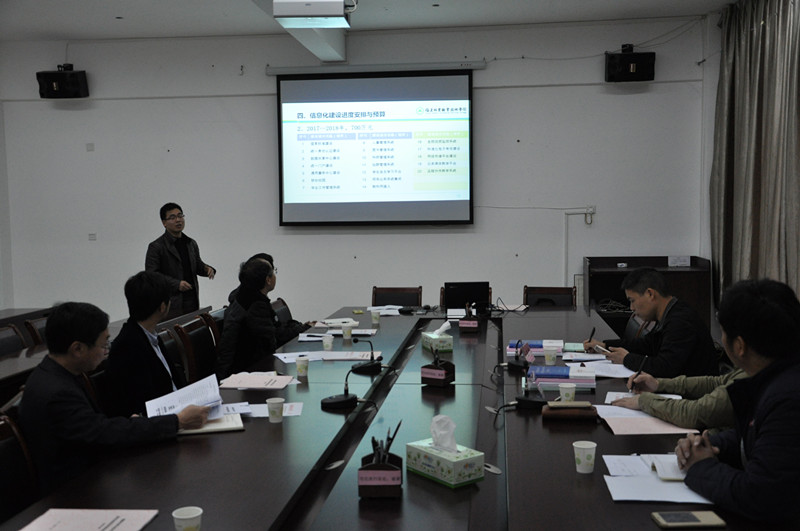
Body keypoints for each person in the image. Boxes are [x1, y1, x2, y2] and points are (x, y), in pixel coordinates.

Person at [18, 302, 209, 495]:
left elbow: (95, 429)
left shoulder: (54, 374)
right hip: (75, 492)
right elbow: (103, 435)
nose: (106, 351)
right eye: (103, 344)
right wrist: (177, 421)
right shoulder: (57, 393)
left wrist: (134, 425)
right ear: (77, 349)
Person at [675, 279, 800, 523]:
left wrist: (701, 466)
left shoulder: (788, 398)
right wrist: (707, 444)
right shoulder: (778, 377)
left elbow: (761, 496)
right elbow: (761, 437)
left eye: (722, 332)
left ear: (739, 346)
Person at [583, 267, 718, 378]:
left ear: (650, 294)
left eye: (632, 301)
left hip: (694, 396)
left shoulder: (680, 321)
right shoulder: (670, 312)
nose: (631, 308)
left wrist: (626, 359)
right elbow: (647, 345)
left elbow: (665, 368)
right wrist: (605, 346)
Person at [105, 271, 188, 417]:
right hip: (162, 422)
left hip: (176, 412)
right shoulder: (127, 347)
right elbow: (143, 404)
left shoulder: (148, 335)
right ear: (163, 307)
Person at [215, 258, 311, 380]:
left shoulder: (246, 297)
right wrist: (303, 328)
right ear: (268, 280)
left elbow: (274, 328)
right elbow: (274, 337)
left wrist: (299, 327)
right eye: (273, 272)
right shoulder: (255, 305)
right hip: (248, 370)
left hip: (249, 363)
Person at [611, 368, 747, 433]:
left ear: (739, 346)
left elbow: (693, 413)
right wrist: (658, 384)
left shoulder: (746, 381)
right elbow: (714, 383)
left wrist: (644, 400)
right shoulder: (748, 370)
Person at [145, 202, 215, 319]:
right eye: (172, 217)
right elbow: (152, 276)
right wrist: (176, 284)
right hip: (170, 303)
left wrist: (207, 269)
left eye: (180, 216)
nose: (178, 220)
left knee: (192, 329)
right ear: (164, 223)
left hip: (192, 300)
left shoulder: (190, 243)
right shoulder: (156, 247)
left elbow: (197, 265)